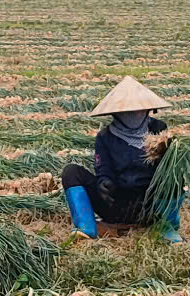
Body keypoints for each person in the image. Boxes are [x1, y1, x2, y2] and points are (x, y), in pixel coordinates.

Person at [61, 76, 183, 243]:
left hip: (150, 204)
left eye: (138, 110)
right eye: (127, 112)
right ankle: (85, 228)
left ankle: (166, 227)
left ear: (148, 109)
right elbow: (103, 170)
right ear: (116, 114)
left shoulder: (158, 130)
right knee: (71, 172)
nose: (133, 115)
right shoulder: (105, 137)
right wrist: (105, 183)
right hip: (117, 205)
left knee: (176, 171)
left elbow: (167, 169)